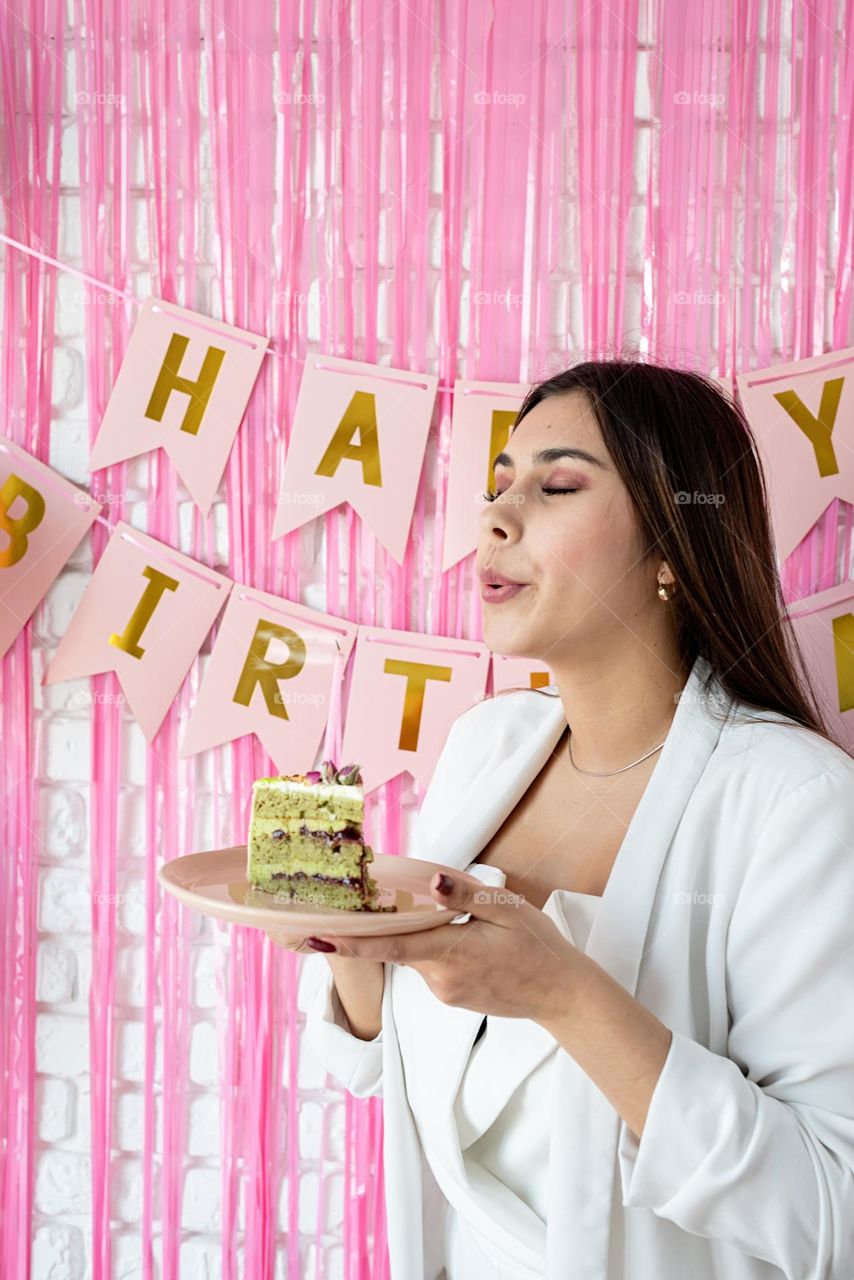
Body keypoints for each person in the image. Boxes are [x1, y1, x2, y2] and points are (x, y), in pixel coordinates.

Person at [271, 359, 854, 1279]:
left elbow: (831, 1217)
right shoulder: (484, 748)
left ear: (671, 546)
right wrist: (356, 947)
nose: (493, 517)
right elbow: (377, 1072)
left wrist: (566, 995)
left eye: (556, 485)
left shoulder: (799, 806)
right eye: (498, 482)